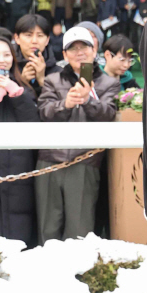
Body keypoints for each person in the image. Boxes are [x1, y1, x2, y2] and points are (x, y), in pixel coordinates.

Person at [35, 26, 120, 243]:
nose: (79, 52)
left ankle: (77, 275)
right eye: (73, 49)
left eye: (84, 47)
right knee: (48, 227)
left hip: (85, 162)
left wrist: (88, 101)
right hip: (49, 162)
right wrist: (66, 103)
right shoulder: (53, 80)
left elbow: (109, 114)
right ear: (64, 54)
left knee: (80, 230)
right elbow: (43, 113)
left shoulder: (109, 83)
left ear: (94, 50)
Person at [0, 36, 40, 245]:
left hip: (20, 168)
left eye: (6, 54)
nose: (1, 60)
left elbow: (34, 126)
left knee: (20, 218)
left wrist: (17, 93)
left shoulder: (24, 88)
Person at [12, 13, 58, 98]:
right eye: (28, 35)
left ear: (47, 40)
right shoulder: (9, 66)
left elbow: (60, 105)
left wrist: (42, 80)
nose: (34, 41)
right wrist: (22, 81)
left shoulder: (58, 72)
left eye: (40, 36)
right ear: (17, 38)